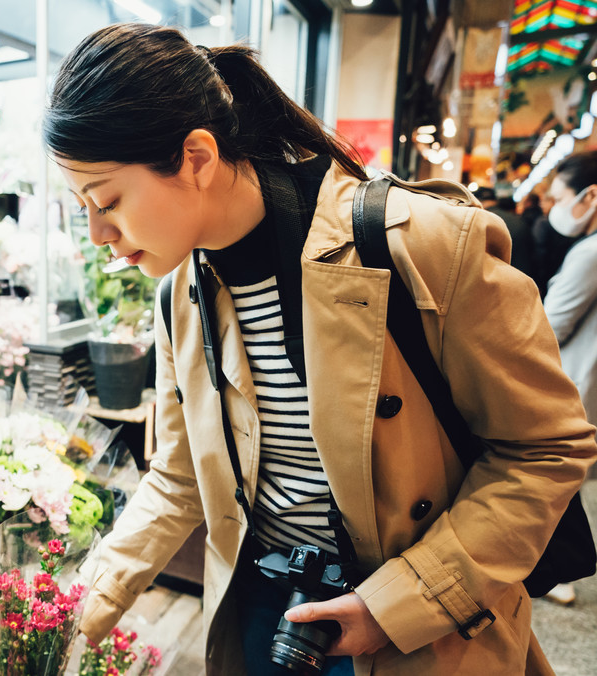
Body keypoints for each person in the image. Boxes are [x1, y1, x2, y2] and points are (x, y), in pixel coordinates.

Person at [43, 23, 596, 676]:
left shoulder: (416, 245)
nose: (99, 233)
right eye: (81, 208)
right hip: (260, 615)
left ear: (195, 157)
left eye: (106, 201)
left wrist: (395, 604)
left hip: (417, 631)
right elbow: (180, 474)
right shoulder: (181, 293)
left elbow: (545, 447)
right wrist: (78, 603)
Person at [541, 150, 597, 606]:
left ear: (590, 196)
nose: (552, 207)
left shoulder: (590, 252)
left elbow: (548, 326)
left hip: (573, 386)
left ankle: (553, 568)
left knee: (552, 480)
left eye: (559, 197)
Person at [473, 186, 535, 278]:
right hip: (521, 279)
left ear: (476, 201)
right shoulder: (518, 221)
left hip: (493, 282)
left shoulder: (478, 222)